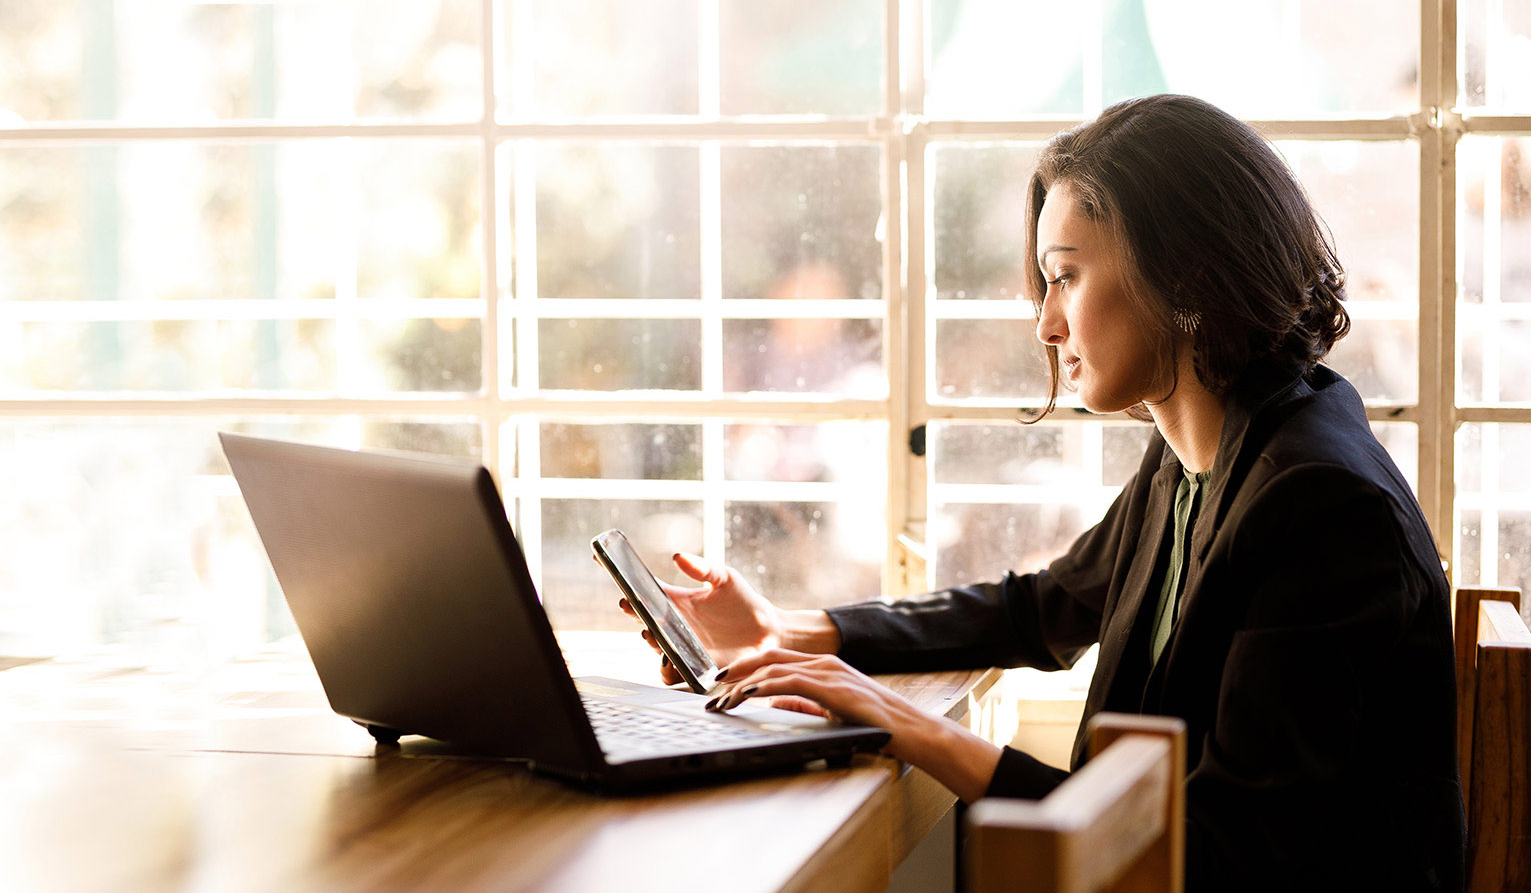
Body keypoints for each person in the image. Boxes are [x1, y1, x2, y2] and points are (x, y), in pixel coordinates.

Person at [622, 94, 1464, 891]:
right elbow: (1044, 608)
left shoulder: (1319, 507)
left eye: (1065, 277)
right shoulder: (1205, 451)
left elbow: (1216, 858)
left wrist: (904, 723)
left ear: (1186, 278)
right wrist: (799, 630)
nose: (1045, 323)